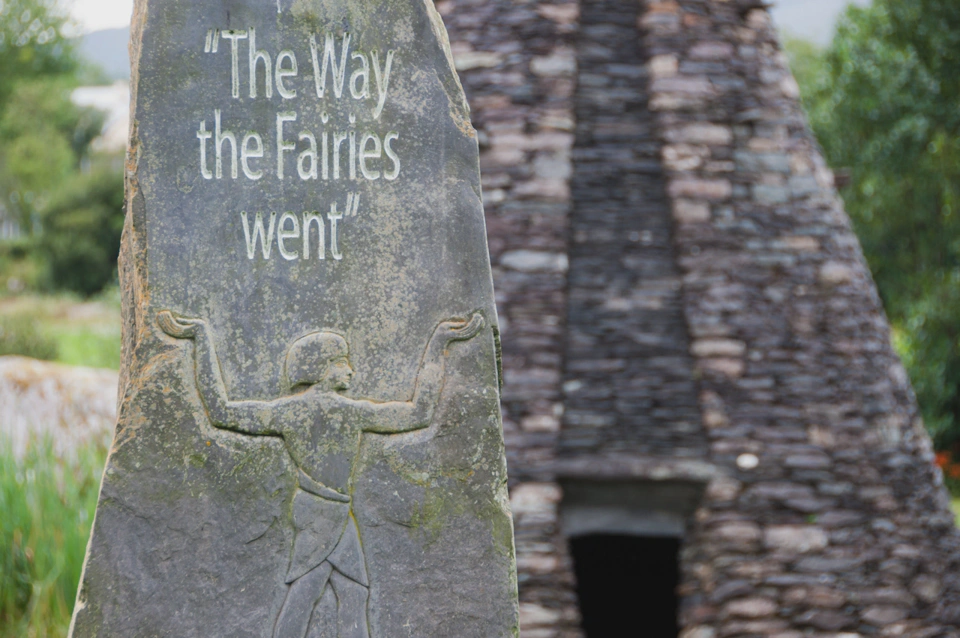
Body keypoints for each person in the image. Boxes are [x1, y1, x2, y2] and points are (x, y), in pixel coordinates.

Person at [157, 310, 485, 638]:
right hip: (323, 512)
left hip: (325, 510)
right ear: (322, 369)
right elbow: (419, 412)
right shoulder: (350, 413)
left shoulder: (287, 412)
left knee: (341, 592)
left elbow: (219, 409)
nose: (351, 370)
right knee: (314, 591)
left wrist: (200, 338)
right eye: (343, 362)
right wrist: (440, 341)